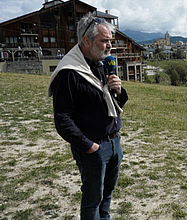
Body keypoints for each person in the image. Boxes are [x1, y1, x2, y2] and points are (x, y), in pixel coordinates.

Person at [48, 12, 128, 219]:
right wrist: (88, 146)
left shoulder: (101, 65)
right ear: (86, 40)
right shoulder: (69, 72)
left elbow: (113, 104)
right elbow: (62, 119)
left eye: (110, 40)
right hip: (93, 148)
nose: (109, 45)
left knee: (107, 195)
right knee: (93, 200)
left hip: (113, 143)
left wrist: (118, 90)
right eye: (104, 41)